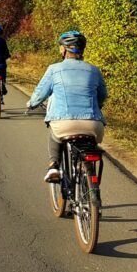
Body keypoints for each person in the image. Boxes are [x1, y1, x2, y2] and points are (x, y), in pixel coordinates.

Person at [26, 31, 108, 183]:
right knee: (89, 142)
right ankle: (84, 167)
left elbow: (40, 94)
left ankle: (54, 166)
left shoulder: (54, 69)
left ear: (63, 50)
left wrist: (31, 104)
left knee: (54, 133)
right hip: (94, 124)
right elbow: (103, 95)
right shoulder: (94, 70)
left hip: (63, 124)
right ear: (82, 50)